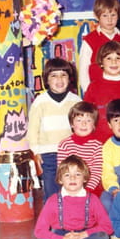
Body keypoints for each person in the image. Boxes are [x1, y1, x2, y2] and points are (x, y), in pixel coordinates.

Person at [32, 155, 112, 239]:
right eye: (67, 175)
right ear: (60, 179)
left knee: (103, 238)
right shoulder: (53, 201)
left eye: (78, 174)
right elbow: (39, 231)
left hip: (85, 236)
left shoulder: (93, 200)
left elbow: (107, 227)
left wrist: (83, 235)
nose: (72, 178)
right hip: (61, 236)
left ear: (85, 178)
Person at [26, 58, 81, 200]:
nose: (59, 79)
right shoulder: (40, 102)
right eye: (54, 76)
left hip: (71, 152)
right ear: (47, 80)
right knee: (51, 191)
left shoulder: (76, 101)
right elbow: (33, 129)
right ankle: (52, 213)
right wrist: (36, 151)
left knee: (72, 189)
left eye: (63, 75)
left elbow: (82, 127)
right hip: (48, 154)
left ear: (69, 78)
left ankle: (71, 213)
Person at [83, 41, 120, 141]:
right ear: (101, 63)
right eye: (109, 58)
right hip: (98, 141)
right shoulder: (93, 87)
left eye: (118, 58)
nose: (114, 62)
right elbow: (86, 114)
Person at [78, 0, 120, 94]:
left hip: (119, 91)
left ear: (118, 15)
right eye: (105, 15)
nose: (110, 19)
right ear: (96, 16)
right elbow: (83, 71)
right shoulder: (90, 40)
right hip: (97, 92)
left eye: (113, 15)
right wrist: (88, 92)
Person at [57, 102, 104, 196]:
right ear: (72, 124)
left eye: (88, 120)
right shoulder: (64, 145)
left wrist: (87, 190)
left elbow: (96, 171)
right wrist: (71, 189)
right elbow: (62, 171)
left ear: (94, 125)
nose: (84, 124)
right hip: (70, 187)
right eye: (79, 120)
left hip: (91, 189)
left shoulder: (97, 145)